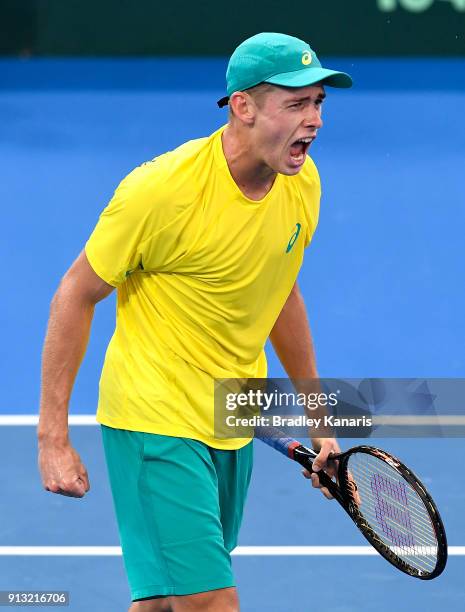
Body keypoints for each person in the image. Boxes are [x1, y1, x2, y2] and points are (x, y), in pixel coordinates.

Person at [38, 32, 352, 612]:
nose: (314, 121)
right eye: (296, 104)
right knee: (210, 602)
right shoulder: (161, 192)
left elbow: (279, 292)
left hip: (231, 418)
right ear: (243, 107)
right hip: (154, 421)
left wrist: (319, 420)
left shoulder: (301, 183)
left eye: (318, 103)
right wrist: (53, 437)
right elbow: (74, 295)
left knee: (162, 604)